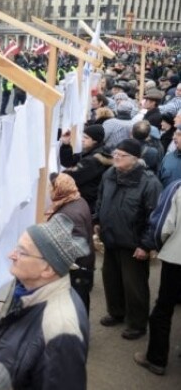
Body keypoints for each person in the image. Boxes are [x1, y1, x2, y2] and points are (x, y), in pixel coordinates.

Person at [0, 214, 90, 389]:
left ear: (47, 269)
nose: (11, 255)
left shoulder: (60, 329)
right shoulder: (30, 292)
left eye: (22, 252)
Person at [94, 138, 162, 340]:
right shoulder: (109, 174)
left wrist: (146, 245)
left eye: (121, 155)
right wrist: (98, 218)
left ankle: (137, 324)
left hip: (134, 244)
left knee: (134, 286)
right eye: (115, 153)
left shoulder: (149, 183)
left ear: (135, 159)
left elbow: (155, 218)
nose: (115, 157)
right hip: (111, 238)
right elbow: (100, 198)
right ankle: (116, 312)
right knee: (111, 278)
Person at [134, 181, 181, 375]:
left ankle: (156, 359)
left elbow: (163, 226)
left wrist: (153, 246)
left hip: (177, 261)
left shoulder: (178, 188)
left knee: (163, 308)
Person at [45, 173, 95, 314]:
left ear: (60, 189)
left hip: (75, 270)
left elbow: (74, 247)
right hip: (84, 265)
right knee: (80, 300)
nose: (49, 190)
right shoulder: (77, 199)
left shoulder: (68, 213)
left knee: (73, 305)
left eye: (51, 187)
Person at [59, 125, 112, 213]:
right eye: (83, 136)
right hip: (86, 201)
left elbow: (72, 176)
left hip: (87, 202)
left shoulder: (94, 159)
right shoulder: (92, 152)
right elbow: (69, 162)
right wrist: (66, 145)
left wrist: (55, 176)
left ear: (95, 140)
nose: (82, 140)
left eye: (86, 138)